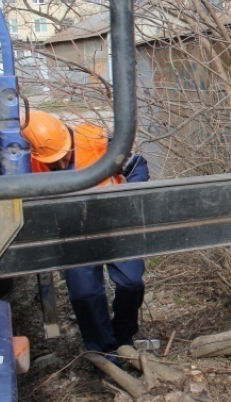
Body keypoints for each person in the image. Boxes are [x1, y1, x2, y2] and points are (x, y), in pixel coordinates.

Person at [21, 110, 147, 357]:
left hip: (114, 224)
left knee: (131, 283)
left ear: (66, 135)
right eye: (50, 161)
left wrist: (130, 199)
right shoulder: (30, 162)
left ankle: (123, 339)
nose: (57, 164)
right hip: (73, 233)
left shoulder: (97, 141)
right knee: (84, 293)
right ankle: (104, 353)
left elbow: (137, 167)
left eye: (61, 157)